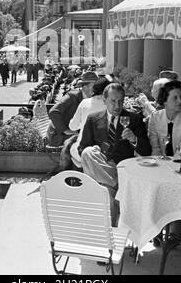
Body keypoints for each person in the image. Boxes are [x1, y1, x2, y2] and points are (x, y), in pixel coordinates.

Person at [78, 82, 151, 225]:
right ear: (104, 101)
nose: (117, 106)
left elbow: (146, 151)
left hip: (124, 168)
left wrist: (134, 139)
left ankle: (109, 234)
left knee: (106, 192)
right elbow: (82, 148)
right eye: (113, 101)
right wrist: (96, 152)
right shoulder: (93, 119)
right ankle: (116, 184)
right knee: (88, 152)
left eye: (120, 101)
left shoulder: (134, 119)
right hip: (104, 167)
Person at [148, 80, 181, 246]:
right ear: (164, 100)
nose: (180, 101)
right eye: (175, 98)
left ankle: (175, 230)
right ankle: (157, 227)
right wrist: (159, 165)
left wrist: (165, 166)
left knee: (177, 187)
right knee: (154, 185)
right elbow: (155, 147)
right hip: (164, 164)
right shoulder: (155, 118)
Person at [46, 71, 99, 147]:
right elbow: (53, 112)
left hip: (76, 136)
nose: (97, 89)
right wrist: (66, 130)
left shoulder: (94, 100)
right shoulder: (72, 96)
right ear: (85, 87)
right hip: (58, 136)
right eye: (94, 86)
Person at [69, 77, 112, 169]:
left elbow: (73, 126)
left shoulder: (85, 103)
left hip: (85, 152)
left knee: (70, 145)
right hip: (106, 152)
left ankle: (74, 177)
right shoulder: (112, 106)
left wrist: (81, 122)